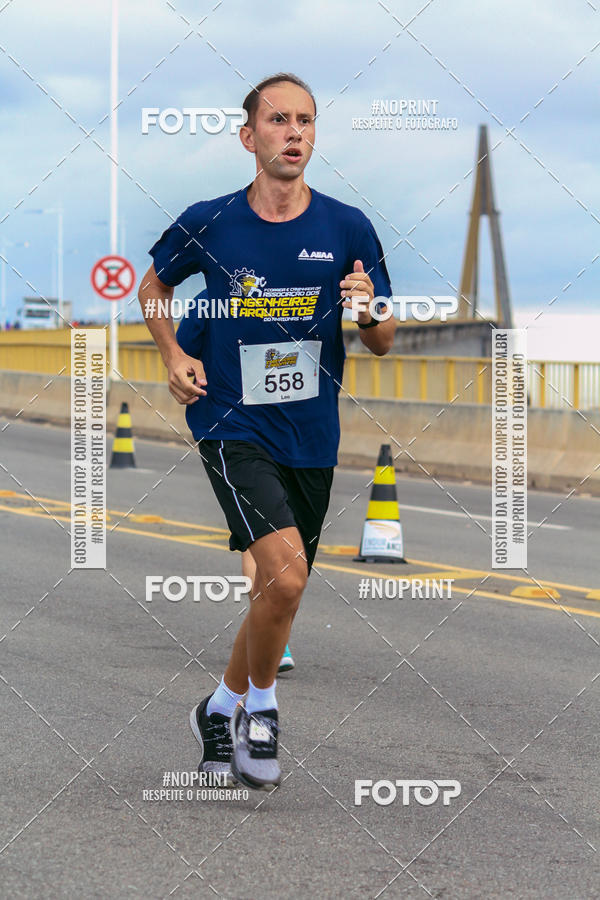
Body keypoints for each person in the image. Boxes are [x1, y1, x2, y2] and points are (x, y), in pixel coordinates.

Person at [139, 72, 395, 790]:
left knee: (282, 592)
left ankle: (219, 707)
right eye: (278, 120)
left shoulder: (347, 228)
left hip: (310, 431)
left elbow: (383, 339)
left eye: (305, 120)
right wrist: (175, 353)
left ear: (314, 135)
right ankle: (263, 709)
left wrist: (370, 313)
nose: (294, 132)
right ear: (250, 137)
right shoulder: (212, 221)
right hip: (228, 417)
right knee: (283, 574)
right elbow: (153, 287)